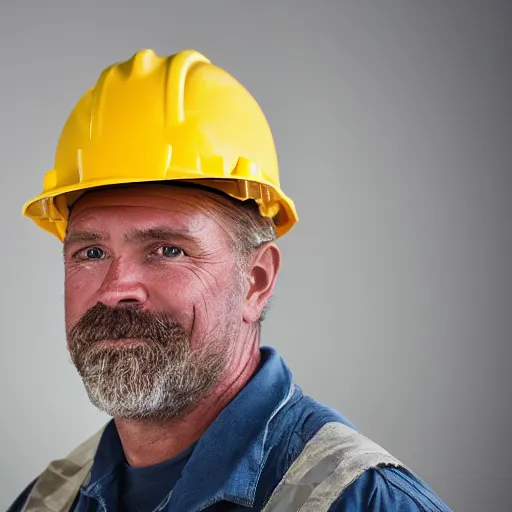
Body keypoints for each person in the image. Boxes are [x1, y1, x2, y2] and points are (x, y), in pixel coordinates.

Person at [8, 48, 451, 512]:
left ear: (256, 281)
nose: (118, 286)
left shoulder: (361, 501)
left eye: (168, 250)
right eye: (92, 252)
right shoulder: (48, 502)